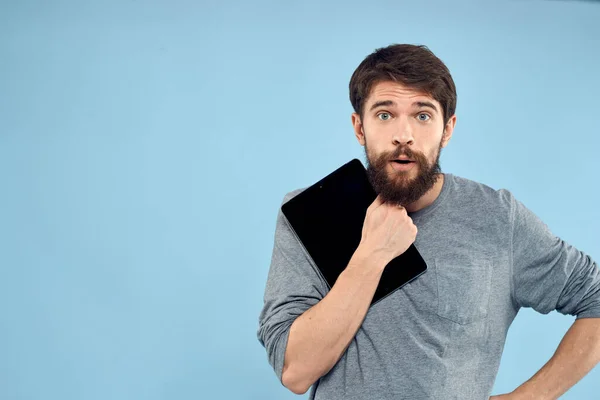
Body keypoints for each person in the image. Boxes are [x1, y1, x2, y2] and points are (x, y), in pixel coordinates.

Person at [256, 44, 600, 400]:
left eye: (422, 115)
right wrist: (372, 255)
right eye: (384, 115)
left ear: (447, 129)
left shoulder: (497, 218)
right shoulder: (310, 214)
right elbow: (295, 371)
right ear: (359, 127)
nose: (403, 135)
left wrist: (528, 398)